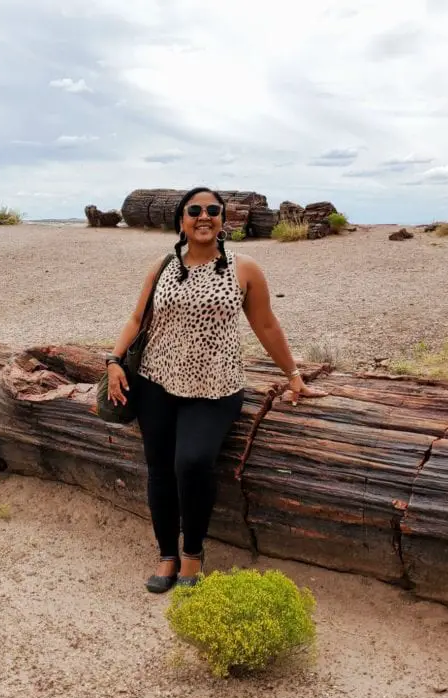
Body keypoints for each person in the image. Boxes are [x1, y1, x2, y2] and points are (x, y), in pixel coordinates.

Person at [104, 186, 328, 593]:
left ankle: (192, 553)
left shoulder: (245, 269)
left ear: (223, 220)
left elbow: (266, 325)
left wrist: (294, 374)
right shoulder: (162, 265)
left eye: (212, 210)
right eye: (195, 210)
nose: (203, 216)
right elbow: (137, 318)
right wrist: (113, 361)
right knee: (159, 470)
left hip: (216, 387)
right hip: (156, 381)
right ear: (181, 220)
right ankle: (166, 554)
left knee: (191, 462)